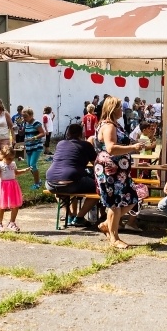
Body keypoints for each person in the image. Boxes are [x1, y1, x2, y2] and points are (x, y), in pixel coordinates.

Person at [93, 96, 144, 249]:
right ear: (112, 109)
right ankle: (114, 238)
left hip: (120, 172)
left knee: (132, 198)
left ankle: (107, 224)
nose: (122, 110)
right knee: (114, 203)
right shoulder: (109, 126)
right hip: (110, 171)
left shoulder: (115, 125)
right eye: (120, 107)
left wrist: (137, 144)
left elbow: (122, 143)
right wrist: (133, 148)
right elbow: (111, 148)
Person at [45, 123, 99, 227]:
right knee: (99, 188)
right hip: (72, 182)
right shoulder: (86, 145)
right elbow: (97, 165)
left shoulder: (60, 143)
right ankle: (79, 218)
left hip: (50, 182)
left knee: (59, 191)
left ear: (68, 133)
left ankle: (69, 215)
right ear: (81, 134)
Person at [0, 145, 30, 232]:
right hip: (3, 187)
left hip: (13, 186)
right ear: (3, 156)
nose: (10, 160)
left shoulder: (13, 164)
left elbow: (15, 173)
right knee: (1, 206)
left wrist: (24, 170)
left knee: (15, 205)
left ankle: (12, 223)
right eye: (8, 159)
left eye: (12, 158)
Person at [21, 107, 46, 189]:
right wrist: (19, 128)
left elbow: (43, 133)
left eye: (25, 117)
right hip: (29, 146)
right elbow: (22, 133)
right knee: (29, 165)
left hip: (36, 146)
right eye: (23, 117)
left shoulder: (36, 123)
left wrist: (34, 137)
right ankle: (38, 180)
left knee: (32, 165)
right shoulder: (26, 123)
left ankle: (37, 184)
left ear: (31, 115)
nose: (24, 118)